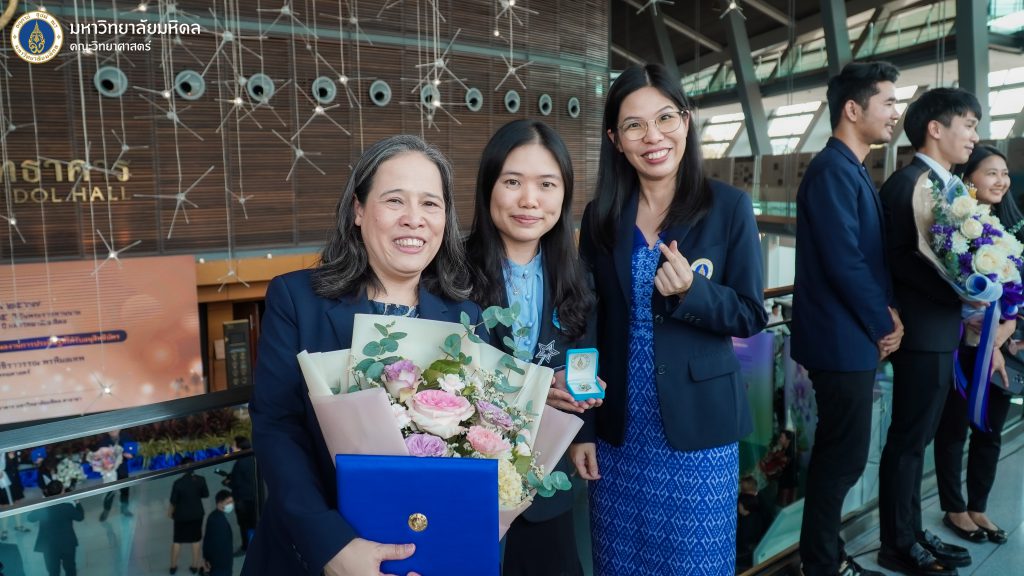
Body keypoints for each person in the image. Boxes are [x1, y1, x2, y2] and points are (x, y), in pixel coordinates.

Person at [243, 135, 484, 576]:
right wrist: (332, 547)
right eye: (395, 200)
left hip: (428, 553)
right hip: (314, 555)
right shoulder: (297, 299)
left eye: (430, 204)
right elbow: (277, 429)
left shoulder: (465, 318)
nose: (414, 219)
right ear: (358, 210)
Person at [575, 63, 768, 575]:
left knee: (694, 563)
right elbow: (585, 325)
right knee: (619, 562)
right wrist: (584, 429)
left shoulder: (728, 207)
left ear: (686, 121)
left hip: (698, 430)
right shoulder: (601, 216)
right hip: (618, 430)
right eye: (634, 125)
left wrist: (692, 292)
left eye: (665, 118)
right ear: (615, 140)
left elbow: (751, 314)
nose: (653, 136)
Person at [465, 119, 600, 576]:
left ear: (564, 194)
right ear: (488, 187)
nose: (529, 200)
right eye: (512, 182)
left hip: (546, 473)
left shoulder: (577, 276)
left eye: (546, 184)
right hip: (470, 473)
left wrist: (582, 431)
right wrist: (537, 389)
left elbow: (581, 355)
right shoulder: (450, 274)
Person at [790, 60, 904, 576]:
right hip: (839, 340)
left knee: (843, 456)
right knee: (842, 459)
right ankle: (821, 563)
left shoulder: (850, 168)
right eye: (888, 102)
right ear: (853, 109)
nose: (895, 113)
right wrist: (885, 322)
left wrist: (886, 313)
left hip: (850, 336)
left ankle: (826, 556)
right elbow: (844, 261)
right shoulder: (832, 170)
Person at [878, 87, 982, 576]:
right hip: (919, 333)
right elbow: (900, 259)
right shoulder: (910, 185)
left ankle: (913, 532)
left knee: (917, 440)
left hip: (939, 331)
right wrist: (959, 291)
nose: (974, 136)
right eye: (969, 125)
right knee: (907, 440)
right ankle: (897, 544)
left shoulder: (946, 187)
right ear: (935, 129)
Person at [933, 145, 1019, 546]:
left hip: (1001, 345)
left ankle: (978, 506)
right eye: (991, 173)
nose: (1001, 181)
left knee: (990, 430)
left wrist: (1003, 331)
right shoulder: (950, 227)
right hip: (960, 343)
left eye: (1004, 173)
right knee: (952, 429)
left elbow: (1018, 294)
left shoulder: (1013, 231)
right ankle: (954, 507)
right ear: (969, 179)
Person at [27, 480, 83, 576]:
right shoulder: (67, 507)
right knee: (70, 568)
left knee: (53, 571)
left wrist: (41, 503)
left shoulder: (43, 508)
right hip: (67, 543)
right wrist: (77, 502)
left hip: (49, 546)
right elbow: (80, 517)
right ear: (62, 492)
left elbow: (30, 518)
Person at [169, 458, 210, 575]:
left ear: (182, 468)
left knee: (177, 541)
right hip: (197, 514)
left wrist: (170, 512)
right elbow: (205, 494)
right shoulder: (201, 480)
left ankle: (173, 566)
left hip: (181, 516)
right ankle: (194, 566)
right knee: (195, 540)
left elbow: (173, 501)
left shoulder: (178, 483)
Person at [221, 436, 256, 554]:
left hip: (243, 500)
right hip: (254, 497)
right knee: (254, 522)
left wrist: (227, 483)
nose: (231, 447)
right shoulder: (253, 457)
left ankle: (246, 547)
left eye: (233, 445)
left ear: (239, 447)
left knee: (244, 525)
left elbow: (236, 484)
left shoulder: (239, 463)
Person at [96, 429, 134, 520]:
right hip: (110, 471)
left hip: (122, 469)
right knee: (109, 491)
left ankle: (124, 509)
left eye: (115, 428)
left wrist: (129, 455)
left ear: (120, 428)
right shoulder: (103, 441)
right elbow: (99, 456)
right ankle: (106, 510)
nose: (113, 430)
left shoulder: (126, 437)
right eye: (110, 429)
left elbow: (133, 451)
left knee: (125, 490)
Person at [204, 490, 236, 576]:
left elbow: (207, 539)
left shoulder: (213, 516)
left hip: (218, 564)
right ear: (219, 504)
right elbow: (218, 546)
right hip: (221, 566)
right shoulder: (218, 522)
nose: (231, 504)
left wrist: (206, 558)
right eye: (228, 502)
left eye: (232, 501)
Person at [0, 451, 30, 540]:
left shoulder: (10, 451)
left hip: (13, 482)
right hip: (2, 484)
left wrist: (12, 458)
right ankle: (4, 530)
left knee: (16, 504)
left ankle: (18, 525)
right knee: (4, 506)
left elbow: (16, 465)